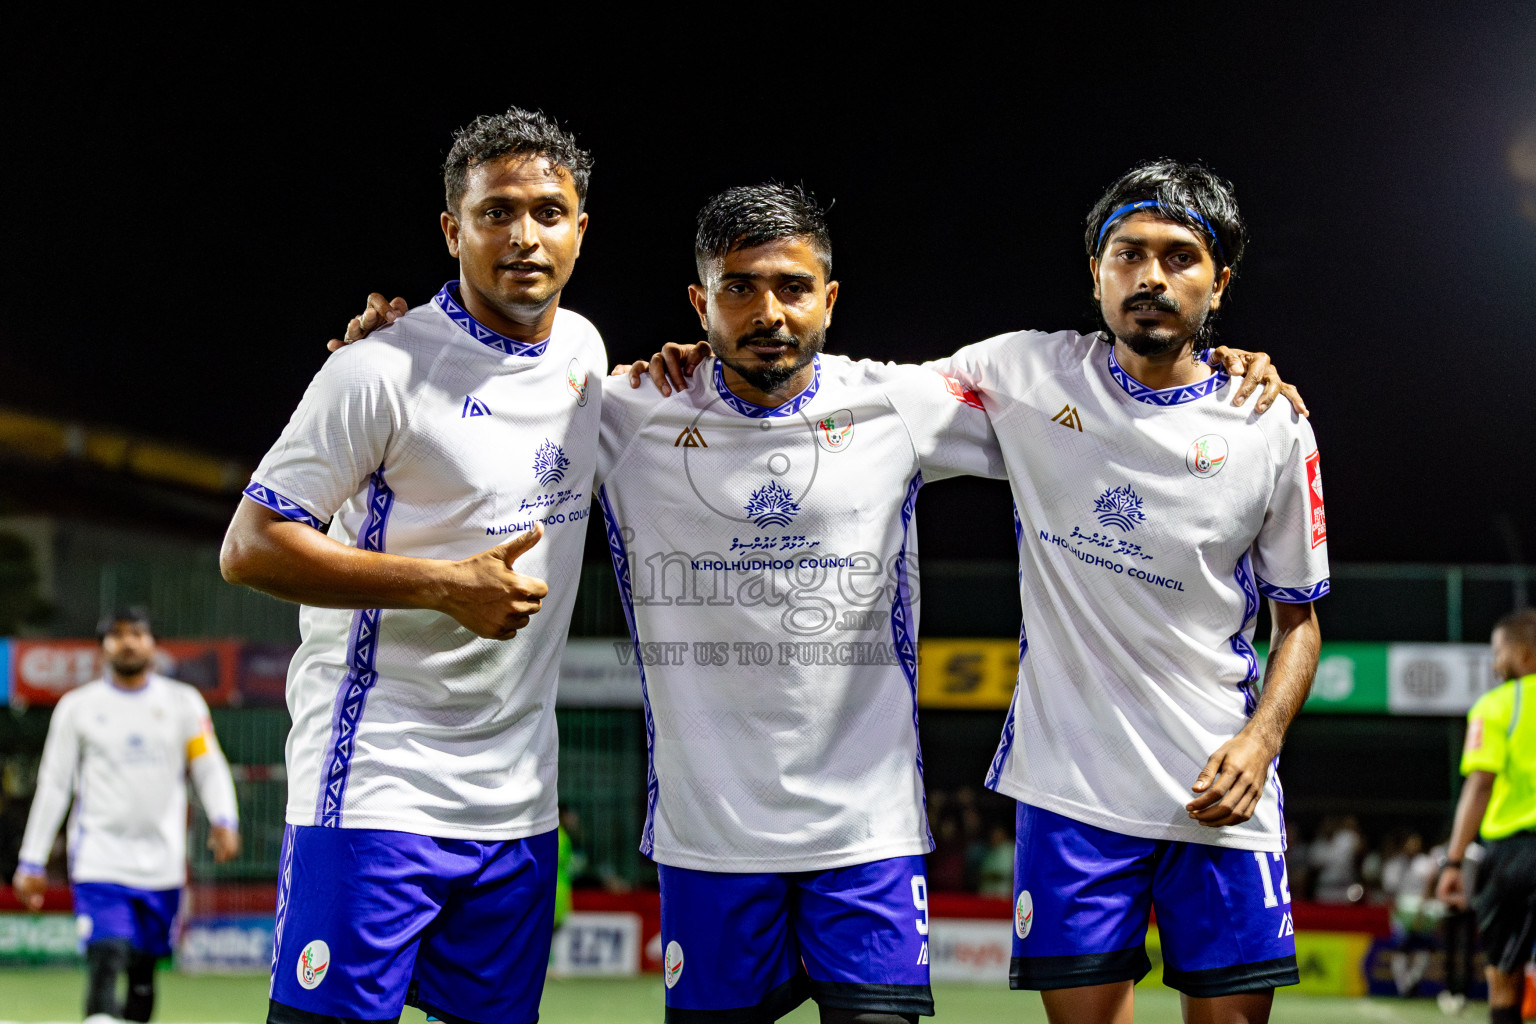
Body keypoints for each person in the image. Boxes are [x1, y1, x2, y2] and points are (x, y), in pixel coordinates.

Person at [340, 177, 1303, 1024]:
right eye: (740, 289)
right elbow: (497, 400)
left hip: (868, 840)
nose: (770, 312)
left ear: (830, 300)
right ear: (700, 302)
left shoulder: (899, 405)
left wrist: (1232, 376)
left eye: (793, 288)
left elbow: (1118, 414)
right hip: (708, 840)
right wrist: (402, 344)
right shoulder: (626, 410)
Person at [632, 161, 1323, 1024]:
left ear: (1219, 283)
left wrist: (1260, 744)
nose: (1151, 276)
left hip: (1226, 792)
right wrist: (706, 360)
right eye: (1128, 253)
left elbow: (1299, 618)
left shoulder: (1272, 424)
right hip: (1073, 795)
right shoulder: (1022, 375)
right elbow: (837, 390)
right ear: (1097, 273)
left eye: (1179, 258)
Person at [219, 106, 607, 1024]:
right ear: (452, 229)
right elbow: (249, 546)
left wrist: (680, 365)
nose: (524, 236)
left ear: (580, 228)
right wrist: (445, 585)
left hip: (517, 807)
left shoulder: (587, 356)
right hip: (376, 783)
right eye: (495, 212)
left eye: (549, 212)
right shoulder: (376, 371)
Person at [11, 607, 240, 1023]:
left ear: (153, 644)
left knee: (141, 978)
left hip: (162, 866)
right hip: (100, 860)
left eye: (137, 633)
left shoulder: (183, 703)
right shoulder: (77, 708)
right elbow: (55, 785)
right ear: (102, 649)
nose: (128, 641)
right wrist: (32, 859)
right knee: (106, 959)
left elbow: (208, 766)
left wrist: (225, 819)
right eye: (116, 635)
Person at [1436, 608, 1536, 1024]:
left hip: (1514, 856)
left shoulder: (1496, 705)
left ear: (1526, 654)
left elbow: (1479, 787)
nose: (1495, 663)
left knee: (1502, 975)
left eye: (1499, 652)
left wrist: (1454, 860)